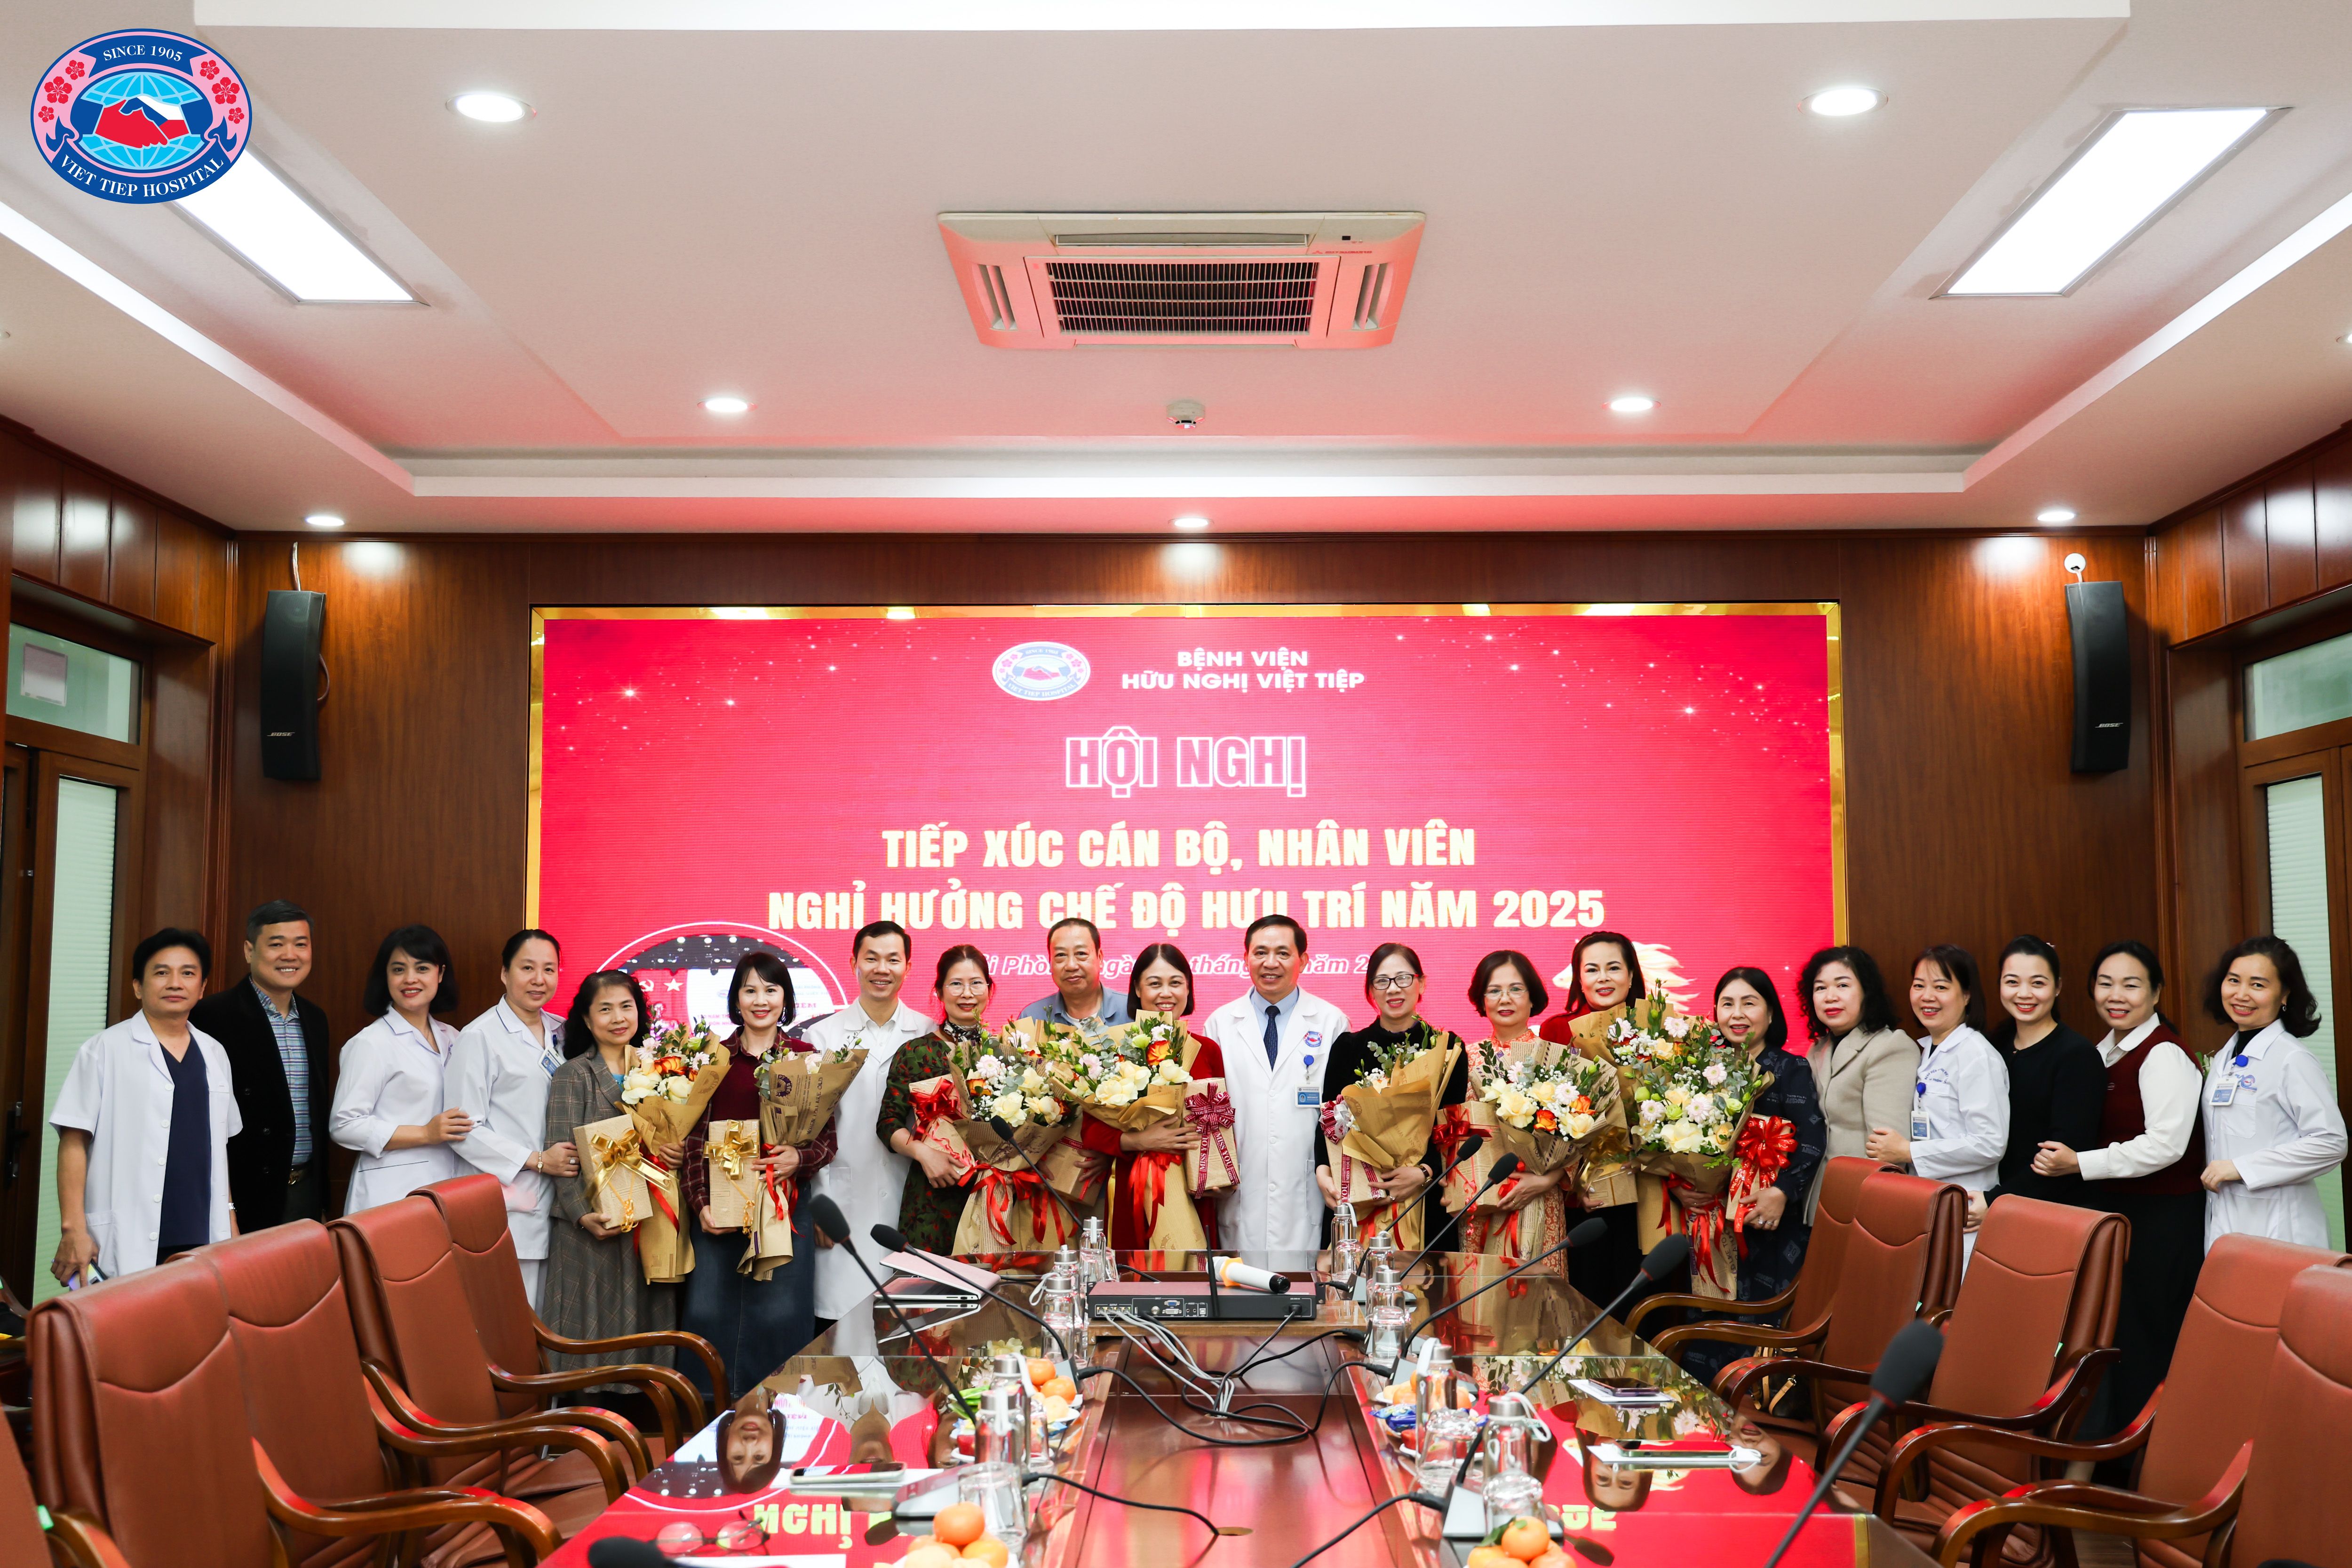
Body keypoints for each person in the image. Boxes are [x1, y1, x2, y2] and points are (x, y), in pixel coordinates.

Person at [2027, 940, 2204, 1437]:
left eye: (2131, 985)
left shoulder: (2163, 1054)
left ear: (2156, 992)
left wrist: (2077, 1163)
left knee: (2149, 1341)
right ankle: (2110, 1453)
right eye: (2105, 984)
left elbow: (2166, 1146)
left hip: (2163, 1221)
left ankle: (2145, 1456)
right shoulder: (2101, 1051)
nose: (2116, 995)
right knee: (2118, 1339)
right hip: (2121, 1215)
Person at [681, 951, 835, 1401]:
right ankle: (707, 1418)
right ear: (736, 999)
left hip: (784, 1205)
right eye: (750, 990)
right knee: (708, 1312)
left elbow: (827, 1140)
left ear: (785, 998)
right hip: (719, 1205)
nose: (760, 999)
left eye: (771, 989)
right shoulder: (711, 1059)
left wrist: (798, 1159)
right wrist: (700, 1204)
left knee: (781, 1315)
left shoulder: (806, 1060)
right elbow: (690, 1138)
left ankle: (779, 1414)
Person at [51, 929, 239, 1283]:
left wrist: (230, 1220)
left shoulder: (215, 1053)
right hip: (128, 1235)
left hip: (202, 1232)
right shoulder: (104, 1049)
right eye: (161, 972)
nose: (175, 983)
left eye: (188, 973)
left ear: (202, 988)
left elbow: (219, 1150)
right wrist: (73, 1228)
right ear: (138, 986)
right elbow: (73, 1141)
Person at [544, 970, 679, 1378]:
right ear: (587, 1020)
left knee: (646, 1323)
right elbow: (563, 1155)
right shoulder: (573, 1074)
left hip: (650, 1217)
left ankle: (648, 1405)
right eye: (605, 1009)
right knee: (591, 1331)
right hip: (592, 1224)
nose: (618, 1017)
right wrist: (581, 1214)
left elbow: (675, 1134)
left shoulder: (664, 1069)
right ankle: (587, 1408)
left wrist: (677, 1152)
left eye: (626, 1006)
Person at [803, 922, 934, 1330]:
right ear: (854, 963)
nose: (882, 969)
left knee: (907, 1333)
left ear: (908, 967)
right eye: (872, 958)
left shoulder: (929, 1032)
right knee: (839, 1339)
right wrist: (818, 1208)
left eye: (893, 959)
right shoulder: (821, 1036)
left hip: (910, 1201)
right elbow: (807, 1132)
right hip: (842, 1203)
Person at [1197, 915, 1351, 1255]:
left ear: (1303, 960)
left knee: (1305, 1285)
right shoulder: (1220, 1025)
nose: (1270, 963)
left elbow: (1342, 1114)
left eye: (1283, 953)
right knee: (1240, 1284)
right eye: (1260, 952)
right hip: (1240, 1191)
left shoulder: (1332, 1022)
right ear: (1246, 958)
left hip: (1306, 1188)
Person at [445, 929, 580, 1310]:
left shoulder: (564, 1031)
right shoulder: (480, 1036)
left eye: (549, 969)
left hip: (562, 1204)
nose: (539, 979)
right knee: (512, 1318)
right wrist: (537, 1160)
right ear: (505, 973)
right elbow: (463, 1129)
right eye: (527, 968)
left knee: (551, 1318)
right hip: (511, 1202)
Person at [1065, 942, 1229, 1250]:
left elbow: (1221, 1120)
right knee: (1136, 1273)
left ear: (1188, 989)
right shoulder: (1115, 1050)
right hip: (1134, 1185)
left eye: (1176, 983)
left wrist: (1222, 1175)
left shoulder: (1208, 1050)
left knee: (1193, 1274)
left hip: (1197, 1188)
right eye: (1154, 983)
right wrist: (1140, 1141)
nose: (1166, 993)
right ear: (1138, 990)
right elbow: (1093, 1131)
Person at [2198, 936, 2348, 1249]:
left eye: (2258, 985)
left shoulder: (2292, 1058)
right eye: (2234, 980)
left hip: (2280, 1227)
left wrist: (2242, 1167)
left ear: (2285, 994)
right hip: (2227, 1221)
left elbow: (2331, 1142)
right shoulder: (2226, 1056)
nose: (2241, 994)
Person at [1316, 943, 1468, 1253]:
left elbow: (1453, 1129)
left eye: (1403, 978)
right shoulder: (1348, 1047)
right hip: (1359, 1193)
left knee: (1426, 1280)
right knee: (1354, 1279)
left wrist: (1424, 1171)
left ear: (1421, 983)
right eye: (1382, 981)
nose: (1393, 989)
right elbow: (1329, 1119)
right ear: (1371, 990)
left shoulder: (1447, 1048)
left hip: (1424, 1195)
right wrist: (1322, 1170)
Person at [193, 899, 333, 1230]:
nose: (290, 955)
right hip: (244, 1196)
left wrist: (321, 1201)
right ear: (249, 950)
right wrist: (226, 1207)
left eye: (301, 944)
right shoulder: (212, 1017)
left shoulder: (315, 1018)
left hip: (305, 1190)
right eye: (276, 944)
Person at [1867, 946, 2007, 1258]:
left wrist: (1908, 1152)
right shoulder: (1924, 1050)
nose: (1927, 996)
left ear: (1967, 995)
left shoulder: (1976, 1055)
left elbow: (1990, 1143)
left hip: (1965, 1209)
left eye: (1941, 987)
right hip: (1927, 1203)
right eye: (1919, 985)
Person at [1706, 968, 1828, 1323]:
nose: (1737, 1014)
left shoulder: (1790, 1069)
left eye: (1749, 1003)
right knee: (1711, 1319)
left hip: (1769, 1221)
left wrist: (1782, 1192)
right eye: (1727, 1004)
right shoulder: (1703, 1070)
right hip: (1710, 1221)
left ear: (1771, 1013)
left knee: (1763, 1322)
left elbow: (1813, 1139)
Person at [1537, 931, 1649, 1298]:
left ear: (1631, 976)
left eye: (1614, 968)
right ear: (1579, 979)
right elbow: (1548, 1116)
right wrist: (1576, 1182)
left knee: (1642, 1300)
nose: (1603, 978)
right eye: (1592, 969)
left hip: (1649, 1191)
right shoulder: (1558, 1029)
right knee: (1589, 1298)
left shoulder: (1658, 1029)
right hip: (1587, 1196)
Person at [330, 924, 469, 1214]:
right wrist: (426, 1134)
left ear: (440, 974)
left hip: (447, 1188)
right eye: (398, 970)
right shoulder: (371, 1043)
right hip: (390, 1195)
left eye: (422, 968)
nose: (410, 979)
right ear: (386, 976)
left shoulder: (455, 1038)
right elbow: (344, 1126)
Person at [881, 945, 997, 1256]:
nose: (967, 993)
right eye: (956, 984)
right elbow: (887, 1123)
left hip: (992, 1194)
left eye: (976, 983)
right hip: (934, 1193)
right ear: (940, 991)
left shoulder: (1004, 1052)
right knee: (930, 1283)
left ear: (990, 989)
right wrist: (923, 1154)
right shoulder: (916, 1051)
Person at [1460, 950, 1571, 1269]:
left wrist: (1548, 1180)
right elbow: (1453, 1133)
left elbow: (1580, 1136)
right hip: (1481, 1200)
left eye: (1516, 989)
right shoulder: (1464, 1058)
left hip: (1540, 1197)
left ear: (1533, 997)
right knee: (1479, 1292)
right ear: (1482, 1000)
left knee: (1539, 1291)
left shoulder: (1557, 1057)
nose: (1505, 998)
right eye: (1494, 990)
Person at [1984, 936, 2104, 1207]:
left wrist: (1995, 1200)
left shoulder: (2077, 1056)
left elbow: (2060, 1159)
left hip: (2049, 1209)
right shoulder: (1993, 1047)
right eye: (2012, 982)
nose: (2024, 994)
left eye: (2038, 983)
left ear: (2058, 987)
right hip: (1996, 1201)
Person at [1800, 947, 1918, 1217]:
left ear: (1867, 991)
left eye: (1842, 985)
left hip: (1861, 1202)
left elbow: (1887, 1153)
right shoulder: (1818, 1049)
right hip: (1816, 1197)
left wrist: (1870, 1215)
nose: (1830, 997)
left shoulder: (1889, 1047)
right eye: (1820, 988)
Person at [1017, 917, 1131, 1033]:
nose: (1071, 966)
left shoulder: (1132, 1011)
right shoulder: (1032, 1018)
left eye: (1081, 953)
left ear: (1100, 958)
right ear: (1050, 963)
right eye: (1061, 955)